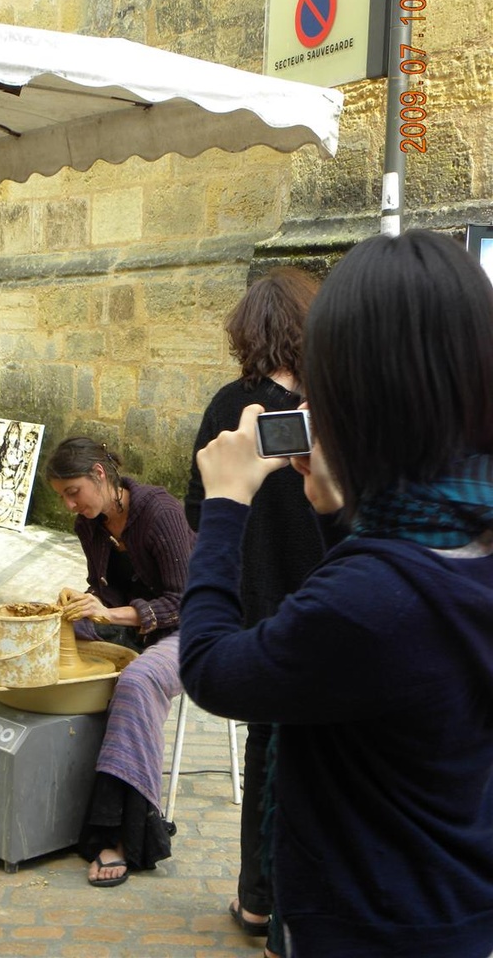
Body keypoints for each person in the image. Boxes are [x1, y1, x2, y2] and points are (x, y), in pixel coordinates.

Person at [179, 229, 493, 958]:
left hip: (370, 927)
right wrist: (345, 496)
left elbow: (210, 669)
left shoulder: (374, 598)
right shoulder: (457, 536)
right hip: (457, 903)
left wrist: (224, 506)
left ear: (356, 397)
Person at [185, 267, 327, 956]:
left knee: (267, 749)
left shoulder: (224, 407)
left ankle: (259, 897)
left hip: (253, 609)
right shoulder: (331, 405)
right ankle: (271, 907)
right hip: (326, 607)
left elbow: (198, 507)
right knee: (296, 755)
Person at [46, 436, 196, 887]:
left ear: (99, 475)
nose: (71, 504)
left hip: (193, 630)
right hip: (134, 625)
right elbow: (106, 589)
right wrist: (84, 600)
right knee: (44, 637)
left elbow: (185, 601)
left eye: (74, 492)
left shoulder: (160, 513)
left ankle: (123, 833)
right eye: (62, 497)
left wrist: (108, 613)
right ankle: (51, 785)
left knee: (136, 681)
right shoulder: (90, 524)